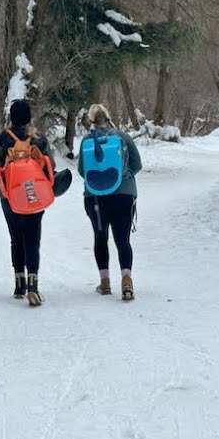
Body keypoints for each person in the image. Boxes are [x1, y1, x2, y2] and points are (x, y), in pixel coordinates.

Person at [76, 104, 143, 300]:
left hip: (96, 199)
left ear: (91, 121)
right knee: (123, 240)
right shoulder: (123, 137)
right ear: (108, 117)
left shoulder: (87, 141)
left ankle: (105, 282)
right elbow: (137, 164)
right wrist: (123, 178)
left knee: (100, 237)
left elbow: (82, 171)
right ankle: (126, 280)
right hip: (124, 195)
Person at [0, 99, 52, 306]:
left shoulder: (2, 138)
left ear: (11, 116)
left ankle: (19, 283)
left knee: (16, 238)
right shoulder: (40, 138)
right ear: (29, 116)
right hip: (34, 194)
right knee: (33, 238)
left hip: (10, 194)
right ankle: (33, 285)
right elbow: (49, 165)